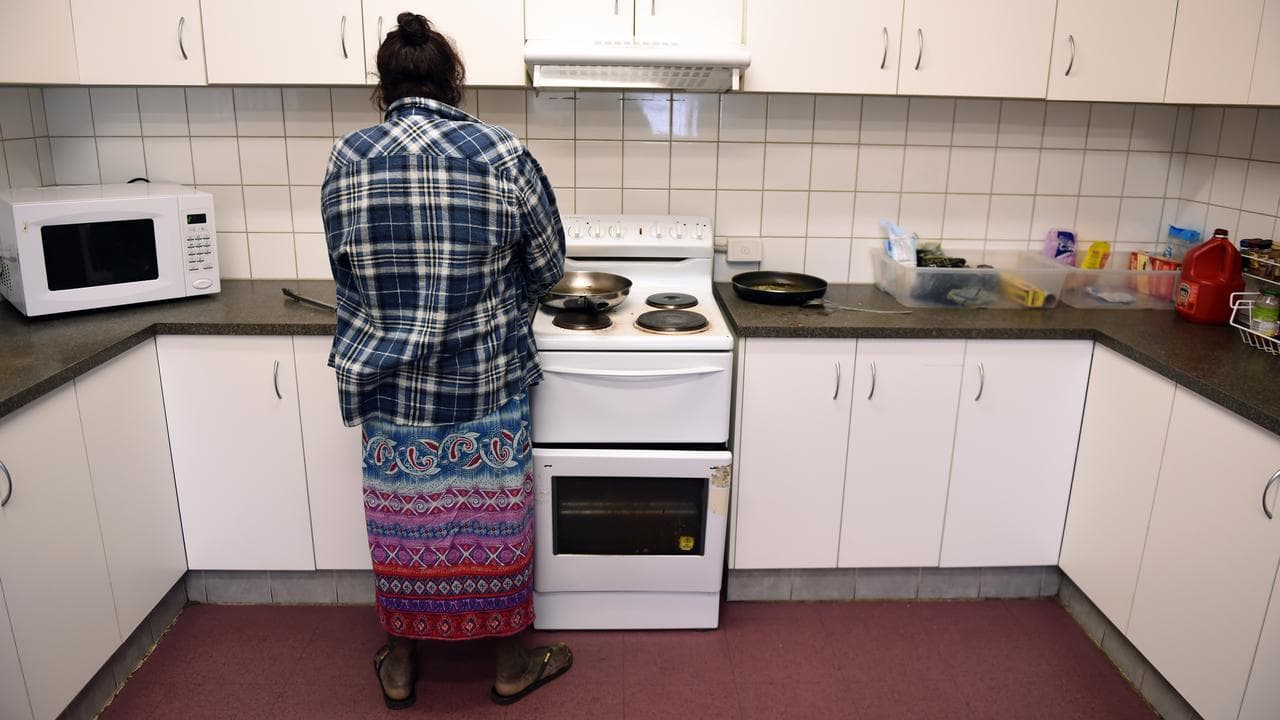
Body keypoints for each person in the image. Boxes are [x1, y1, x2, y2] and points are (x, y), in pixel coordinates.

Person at [320, 12, 570, 710]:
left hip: (391, 389)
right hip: (485, 382)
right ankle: (510, 664)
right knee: (494, 523)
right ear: (453, 81)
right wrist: (493, 294)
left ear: (384, 85)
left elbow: (345, 268)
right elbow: (549, 265)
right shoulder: (502, 153)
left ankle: (401, 662)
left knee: (403, 528)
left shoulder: (348, 158)